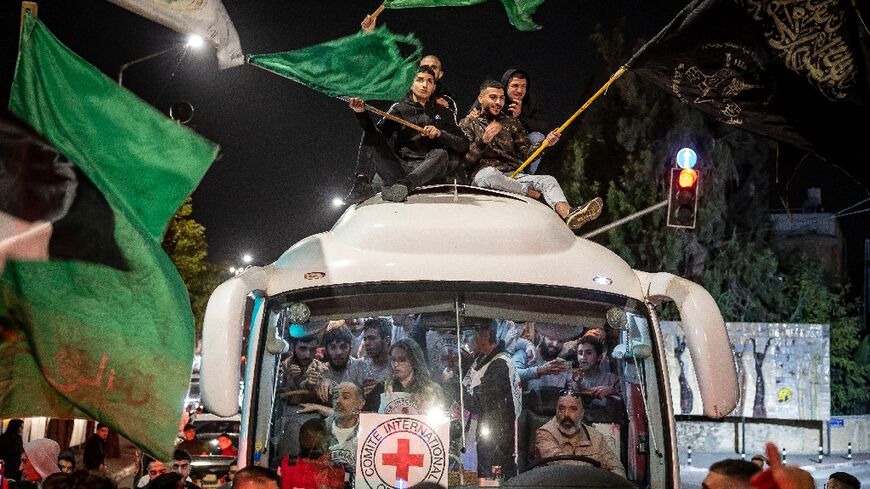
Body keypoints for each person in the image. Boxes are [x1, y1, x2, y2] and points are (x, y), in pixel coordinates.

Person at [459, 80, 603, 230]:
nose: (498, 102)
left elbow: (527, 154)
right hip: (483, 177)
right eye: (493, 97)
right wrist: (483, 141)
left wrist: (545, 143)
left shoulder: (512, 123)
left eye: (501, 98)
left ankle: (570, 214)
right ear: (481, 98)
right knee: (488, 175)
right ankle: (536, 196)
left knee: (548, 180)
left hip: (513, 175)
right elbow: (465, 162)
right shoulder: (467, 123)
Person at [344, 66, 469, 204]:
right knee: (370, 134)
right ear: (411, 84)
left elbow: (463, 144)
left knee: (441, 153)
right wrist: (361, 113)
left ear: (434, 87)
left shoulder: (445, 113)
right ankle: (362, 183)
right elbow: (376, 135)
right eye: (419, 80)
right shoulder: (399, 109)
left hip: (428, 173)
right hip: (401, 169)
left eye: (429, 81)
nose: (424, 85)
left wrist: (441, 134)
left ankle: (403, 187)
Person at [463, 319, 521, 479]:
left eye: (468, 334)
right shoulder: (480, 358)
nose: (464, 340)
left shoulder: (500, 365)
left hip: (496, 443)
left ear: (486, 335)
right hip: (481, 436)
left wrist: (455, 388)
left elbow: (479, 404)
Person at [534, 390, 625, 476]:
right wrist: (597, 467)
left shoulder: (595, 436)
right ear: (556, 411)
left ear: (582, 413)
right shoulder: (544, 433)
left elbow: (616, 467)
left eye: (573, 409)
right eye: (561, 408)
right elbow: (562, 466)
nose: (566, 414)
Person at [312, 325, 368, 402]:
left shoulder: (361, 368)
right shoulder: (321, 371)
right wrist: (320, 381)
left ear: (350, 348)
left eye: (343, 347)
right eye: (333, 347)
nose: (338, 352)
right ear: (326, 349)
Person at [569, 336, 621, 405]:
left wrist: (613, 392)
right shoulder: (571, 379)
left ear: (599, 357)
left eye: (589, 353)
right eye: (580, 353)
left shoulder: (612, 379)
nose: (583, 357)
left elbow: (625, 402)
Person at [361, 317, 393, 389]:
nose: (367, 343)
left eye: (372, 338)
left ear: (387, 340)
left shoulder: (395, 367)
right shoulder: (360, 366)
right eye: (365, 339)